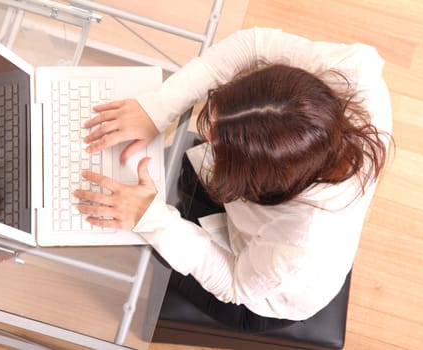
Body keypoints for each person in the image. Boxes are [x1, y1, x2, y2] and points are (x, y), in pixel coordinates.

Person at [73, 27, 392, 332]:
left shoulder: (299, 243)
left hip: (252, 297)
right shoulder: (353, 76)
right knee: (174, 170)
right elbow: (252, 46)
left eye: (220, 142)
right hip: (259, 228)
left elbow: (235, 283)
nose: (207, 133)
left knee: (146, 239)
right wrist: (159, 107)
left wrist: (152, 219)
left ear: (256, 180)